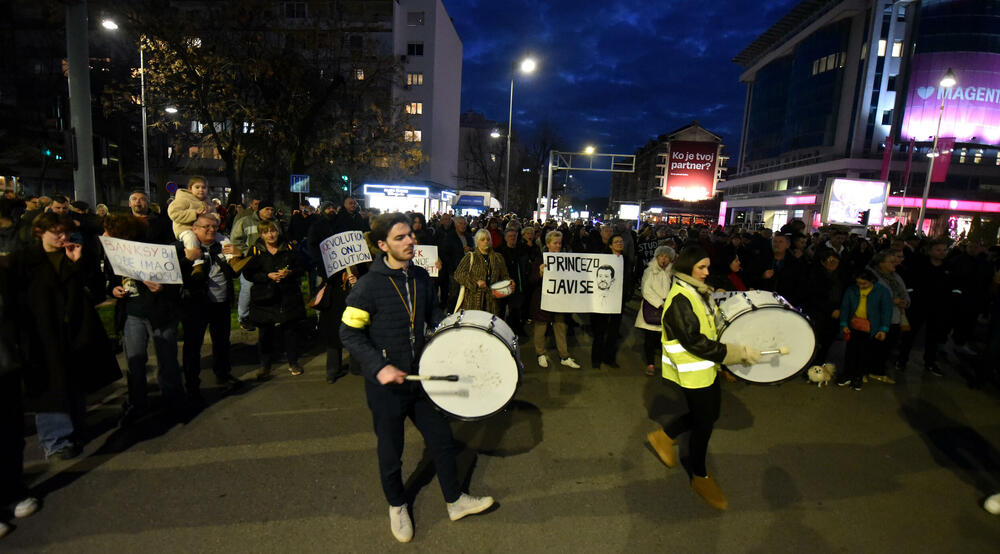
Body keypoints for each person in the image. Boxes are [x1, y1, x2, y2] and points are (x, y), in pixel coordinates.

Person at [340, 213, 494, 543]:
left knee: (442, 439)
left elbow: (431, 314)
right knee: (390, 453)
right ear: (382, 245)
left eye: (410, 234)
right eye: (400, 237)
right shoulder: (368, 286)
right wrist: (379, 367)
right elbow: (349, 333)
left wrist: (450, 326)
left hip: (420, 376)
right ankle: (397, 505)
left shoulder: (421, 276)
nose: (410, 241)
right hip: (387, 387)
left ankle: (455, 500)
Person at [646, 246, 761, 511]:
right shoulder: (681, 298)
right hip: (693, 372)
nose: (707, 272)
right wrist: (735, 354)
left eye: (708, 266)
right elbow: (694, 341)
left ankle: (664, 436)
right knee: (705, 422)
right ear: (688, 267)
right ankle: (699, 475)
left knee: (708, 415)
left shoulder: (695, 292)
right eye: (701, 267)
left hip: (705, 368)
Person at [2, 212, 120, 459]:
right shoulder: (23, 260)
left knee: (75, 382)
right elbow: (13, 298)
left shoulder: (74, 254)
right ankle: (55, 441)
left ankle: (75, 431)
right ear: (40, 233)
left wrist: (77, 263)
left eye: (65, 232)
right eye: (57, 232)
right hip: (40, 333)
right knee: (49, 388)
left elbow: (95, 289)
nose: (63, 237)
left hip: (74, 330)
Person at [104, 214, 184, 424]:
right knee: (135, 361)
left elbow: (175, 280)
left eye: (109, 232)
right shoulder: (113, 254)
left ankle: (173, 401)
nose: (105, 236)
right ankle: (137, 402)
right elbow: (111, 279)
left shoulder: (152, 250)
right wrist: (113, 289)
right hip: (132, 313)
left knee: (167, 359)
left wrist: (161, 286)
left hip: (160, 312)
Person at [178, 214, 242, 402]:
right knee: (193, 346)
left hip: (221, 303)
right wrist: (187, 260)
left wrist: (238, 254)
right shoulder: (182, 247)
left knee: (222, 342)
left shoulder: (221, 245)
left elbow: (234, 273)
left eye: (214, 226)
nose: (211, 230)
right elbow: (172, 271)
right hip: (195, 303)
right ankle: (192, 384)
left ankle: (223, 374)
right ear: (194, 229)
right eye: (206, 226)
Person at [242, 220, 306, 379]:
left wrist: (290, 273)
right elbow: (248, 274)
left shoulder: (288, 247)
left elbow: (301, 267)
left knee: (290, 330)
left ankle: (293, 362)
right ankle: (265, 365)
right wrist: (267, 276)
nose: (270, 235)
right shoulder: (255, 250)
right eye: (266, 232)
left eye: (273, 231)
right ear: (261, 235)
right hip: (264, 296)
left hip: (287, 295)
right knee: (265, 332)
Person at [528, 231, 581, 369]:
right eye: (555, 243)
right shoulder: (540, 258)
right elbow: (531, 280)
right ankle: (540, 353)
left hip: (559, 300)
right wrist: (539, 273)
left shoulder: (565, 259)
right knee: (541, 327)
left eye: (560, 243)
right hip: (543, 299)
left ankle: (564, 356)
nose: (558, 246)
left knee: (560, 326)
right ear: (548, 244)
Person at [838, 269, 892, 390]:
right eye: (858, 283)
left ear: (871, 280)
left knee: (864, 353)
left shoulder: (882, 291)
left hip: (871, 327)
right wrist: (844, 324)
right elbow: (845, 307)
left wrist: (883, 329)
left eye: (864, 283)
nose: (860, 286)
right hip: (854, 325)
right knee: (850, 352)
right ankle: (848, 374)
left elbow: (886, 311)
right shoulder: (851, 290)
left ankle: (858, 377)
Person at [231, 200, 277, 330]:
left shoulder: (275, 222)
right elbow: (235, 240)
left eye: (272, 209)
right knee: (248, 288)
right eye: (267, 209)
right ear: (259, 210)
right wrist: (247, 252)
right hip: (250, 260)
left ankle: (265, 314)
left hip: (269, 260)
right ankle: (244, 317)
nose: (270, 212)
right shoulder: (245, 221)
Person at [167, 176, 223, 273]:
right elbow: (174, 213)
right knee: (191, 239)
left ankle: (233, 259)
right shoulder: (183, 199)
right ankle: (197, 264)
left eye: (204, 187)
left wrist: (215, 217)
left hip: (205, 231)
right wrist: (195, 213)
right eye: (197, 187)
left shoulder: (208, 202)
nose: (201, 190)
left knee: (222, 238)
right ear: (190, 189)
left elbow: (215, 217)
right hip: (185, 229)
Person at [590, 233, 629, 368]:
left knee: (613, 331)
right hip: (602, 300)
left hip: (618, 300)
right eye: (617, 242)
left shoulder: (626, 259)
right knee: (600, 330)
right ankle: (596, 359)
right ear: (611, 245)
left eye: (621, 241)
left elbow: (628, 278)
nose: (620, 244)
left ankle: (609, 358)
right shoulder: (602, 258)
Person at [635, 245, 674, 376]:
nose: (664, 259)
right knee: (650, 338)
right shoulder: (650, 271)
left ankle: (667, 364)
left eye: (667, 257)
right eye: (661, 256)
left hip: (667, 309)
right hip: (653, 308)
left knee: (665, 338)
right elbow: (646, 290)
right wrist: (660, 303)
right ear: (657, 257)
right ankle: (650, 363)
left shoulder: (672, 273)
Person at [452, 229, 509, 314]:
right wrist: (475, 283)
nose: (486, 242)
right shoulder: (471, 256)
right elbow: (458, 274)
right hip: (473, 301)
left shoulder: (498, 258)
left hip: (492, 303)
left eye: (488, 239)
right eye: (482, 240)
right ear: (477, 242)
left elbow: (504, 275)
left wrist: (508, 283)